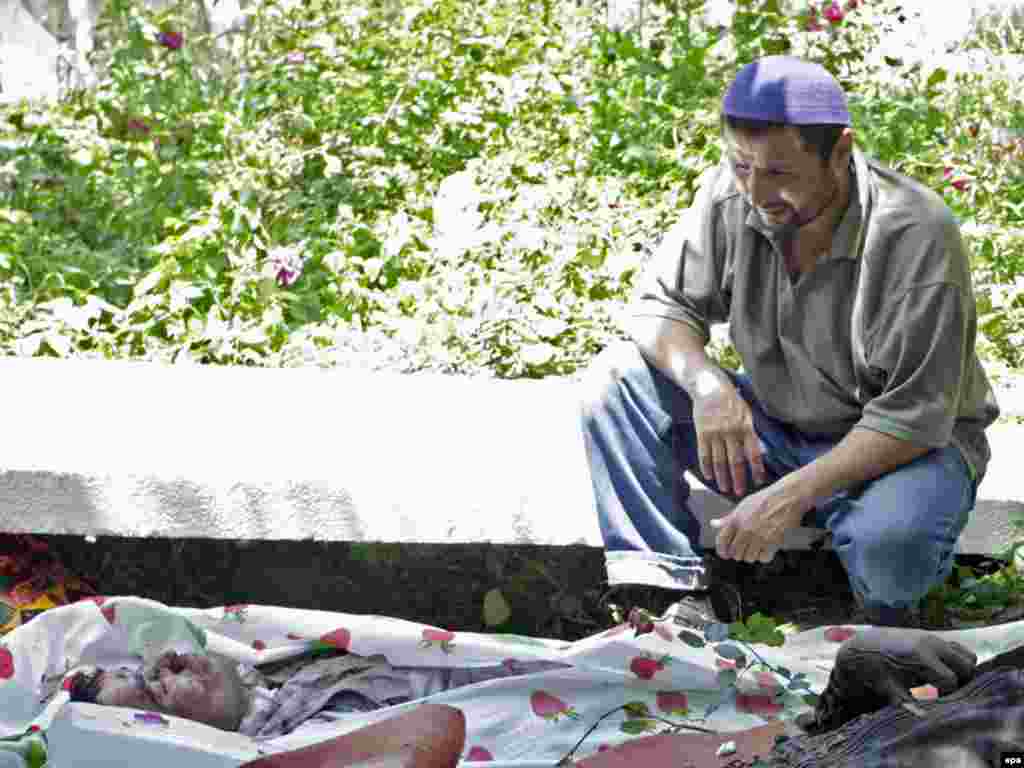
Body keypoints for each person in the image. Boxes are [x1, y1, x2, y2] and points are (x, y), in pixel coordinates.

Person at [579, 55, 1000, 629]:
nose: (755, 190)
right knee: (618, 380)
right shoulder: (735, 192)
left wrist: (789, 497)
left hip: (905, 451)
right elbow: (661, 307)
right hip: (782, 430)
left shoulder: (916, 234)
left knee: (890, 545)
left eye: (779, 173)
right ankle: (666, 599)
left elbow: (913, 417)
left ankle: (883, 629)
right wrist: (709, 388)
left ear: (841, 151)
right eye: (742, 165)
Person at [67, 646, 564, 740]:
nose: (163, 668)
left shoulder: (286, 667)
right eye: (153, 695)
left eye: (144, 668)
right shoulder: (297, 744)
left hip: (549, 682)